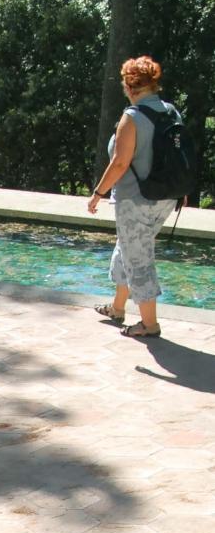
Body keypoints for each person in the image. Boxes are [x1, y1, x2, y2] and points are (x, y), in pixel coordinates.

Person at [88, 56, 179, 339]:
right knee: (127, 248)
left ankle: (149, 324)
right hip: (165, 198)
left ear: (129, 86)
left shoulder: (133, 117)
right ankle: (117, 308)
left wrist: (98, 193)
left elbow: (119, 163)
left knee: (138, 258)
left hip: (136, 200)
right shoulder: (170, 111)